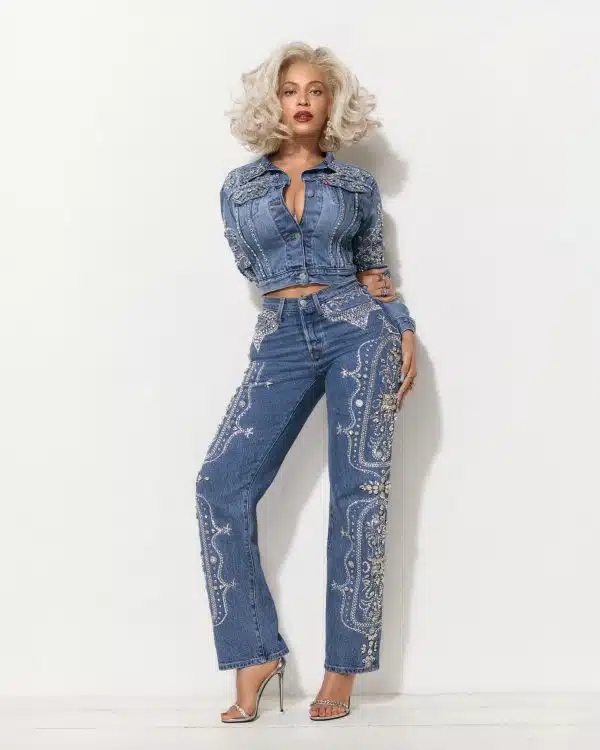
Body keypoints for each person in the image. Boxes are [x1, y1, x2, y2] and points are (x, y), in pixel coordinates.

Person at [194, 41, 417, 723]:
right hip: (281, 338)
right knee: (219, 486)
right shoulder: (239, 187)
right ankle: (254, 652)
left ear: (332, 103)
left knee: (359, 496)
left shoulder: (355, 185)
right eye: (290, 89)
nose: (302, 101)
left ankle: (341, 670)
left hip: (359, 330)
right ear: (272, 99)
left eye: (316, 90)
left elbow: (374, 267)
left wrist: (400, 324)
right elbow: (251, 266)